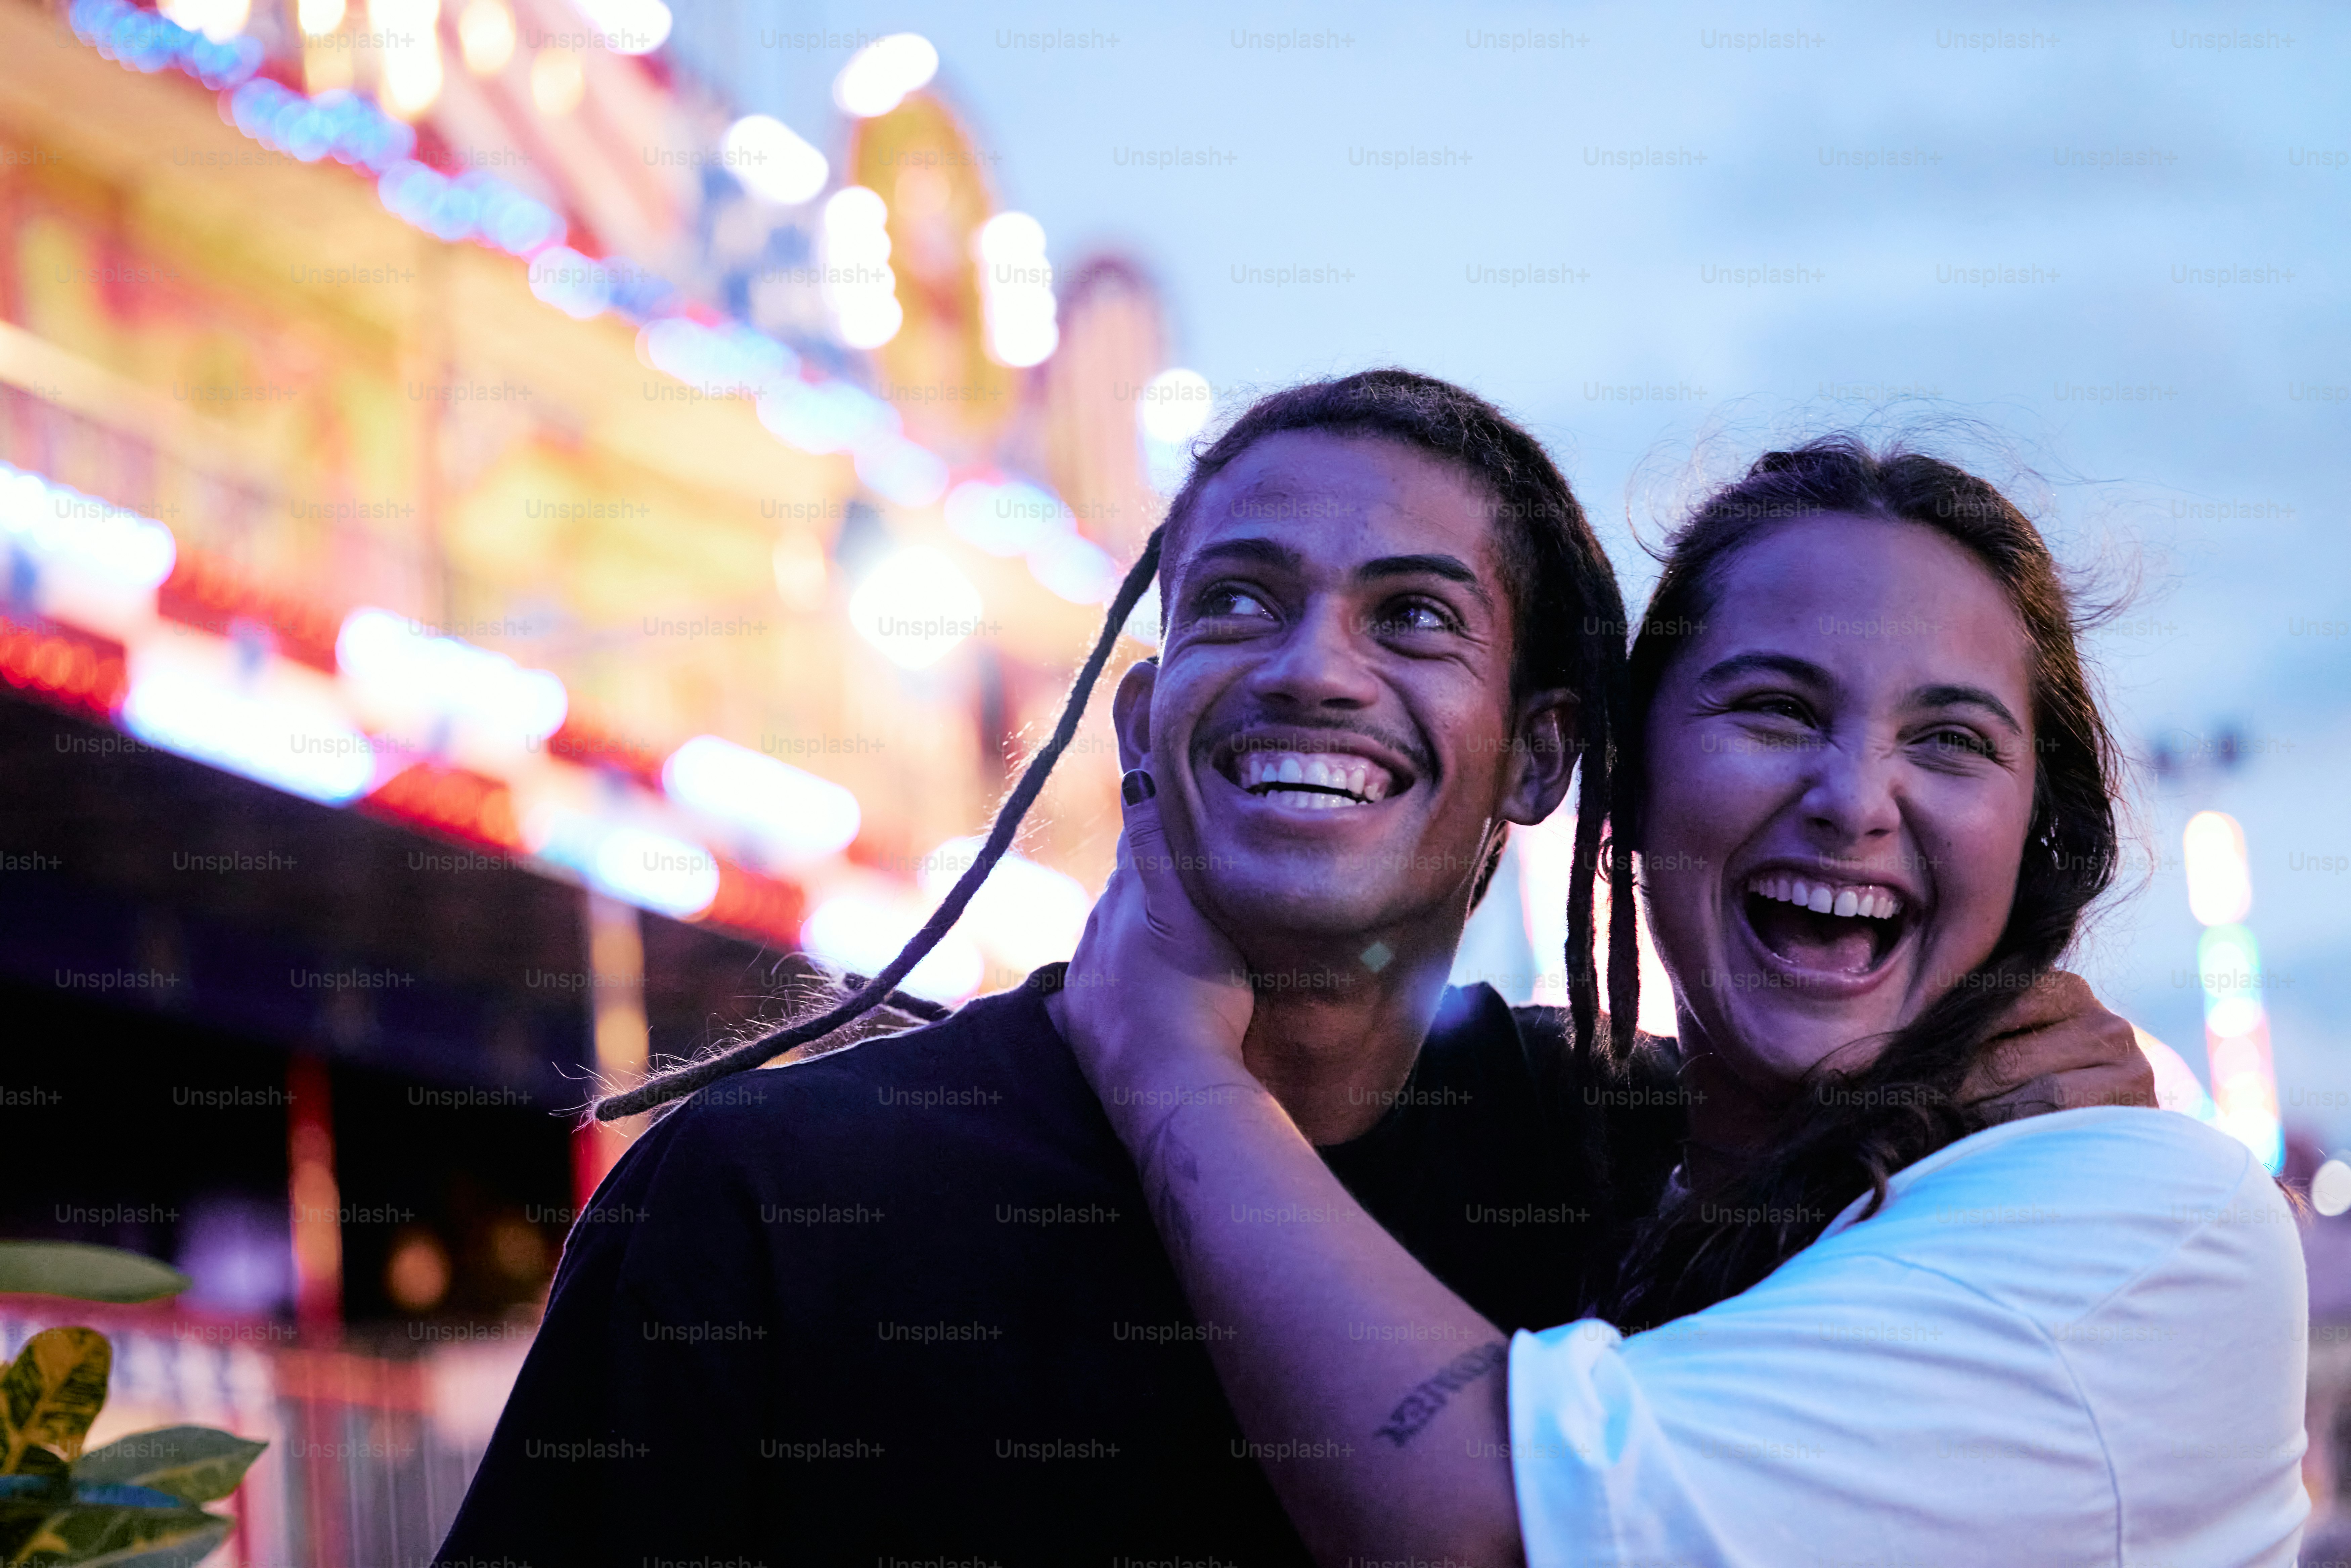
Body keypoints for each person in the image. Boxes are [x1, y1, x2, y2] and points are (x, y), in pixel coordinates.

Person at [435, 388, 2152, 1565]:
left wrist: (1985, 1089)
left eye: (1415, 618)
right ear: (1140, 722)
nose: (1316, 670)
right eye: (1243, 604)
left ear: (1545, 756)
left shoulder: (1652, 1169)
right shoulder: (766, 1200)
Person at [1057, 437, 2307, 1567]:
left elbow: (1489, 1529)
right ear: (1629, 780)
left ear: (2037, 833)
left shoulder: (2149, 1210)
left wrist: (1171, 1057)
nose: (1854, 799)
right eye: (1775, 708)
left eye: (1950, 741)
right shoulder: (1605, 1157)